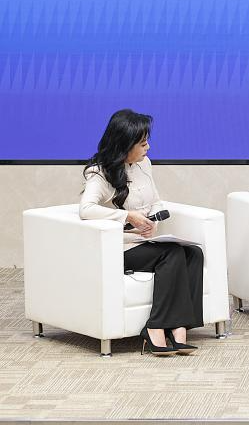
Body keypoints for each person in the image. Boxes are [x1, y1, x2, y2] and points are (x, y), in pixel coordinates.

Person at [79, 109, 204, 356]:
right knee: (172, 254)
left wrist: (153, 218)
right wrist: (128, 216)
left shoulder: (144, 164)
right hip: (120, 246)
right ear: (125, 144)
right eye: (142, 142)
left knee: (193, 254)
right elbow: (86, 209)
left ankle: (180, 328)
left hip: (145, 241)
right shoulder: (99, 173)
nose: (148, 147)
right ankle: (156, 327)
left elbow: (155, 200)